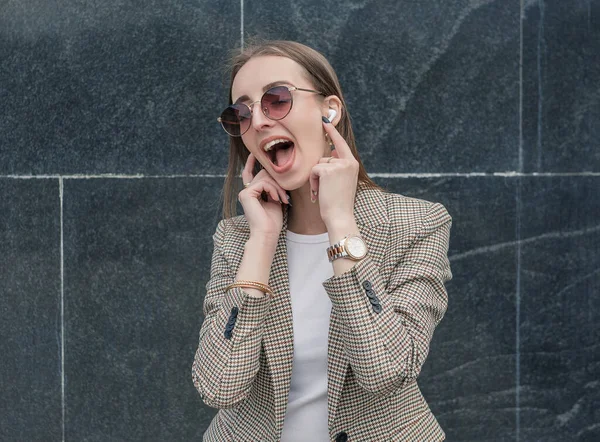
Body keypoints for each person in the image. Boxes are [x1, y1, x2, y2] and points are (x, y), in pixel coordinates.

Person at [192, 40, 452, 442]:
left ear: (328, 110)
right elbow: (218, 385)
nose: (258, 121)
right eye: (241, 112)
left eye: (276, 99)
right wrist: (261, 240)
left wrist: (340, 222)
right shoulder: (237, 238)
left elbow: (387, 370)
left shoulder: (417, 224)